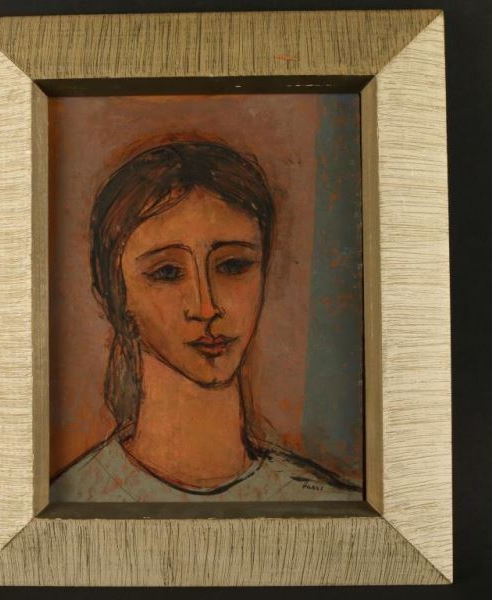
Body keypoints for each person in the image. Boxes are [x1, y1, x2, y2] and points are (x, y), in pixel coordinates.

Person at [50, 140, 361, 502]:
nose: (207, 307)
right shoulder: (76, 499)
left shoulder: (328, 501)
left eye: (233, 265)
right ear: (115, 298)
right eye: (167, 272)